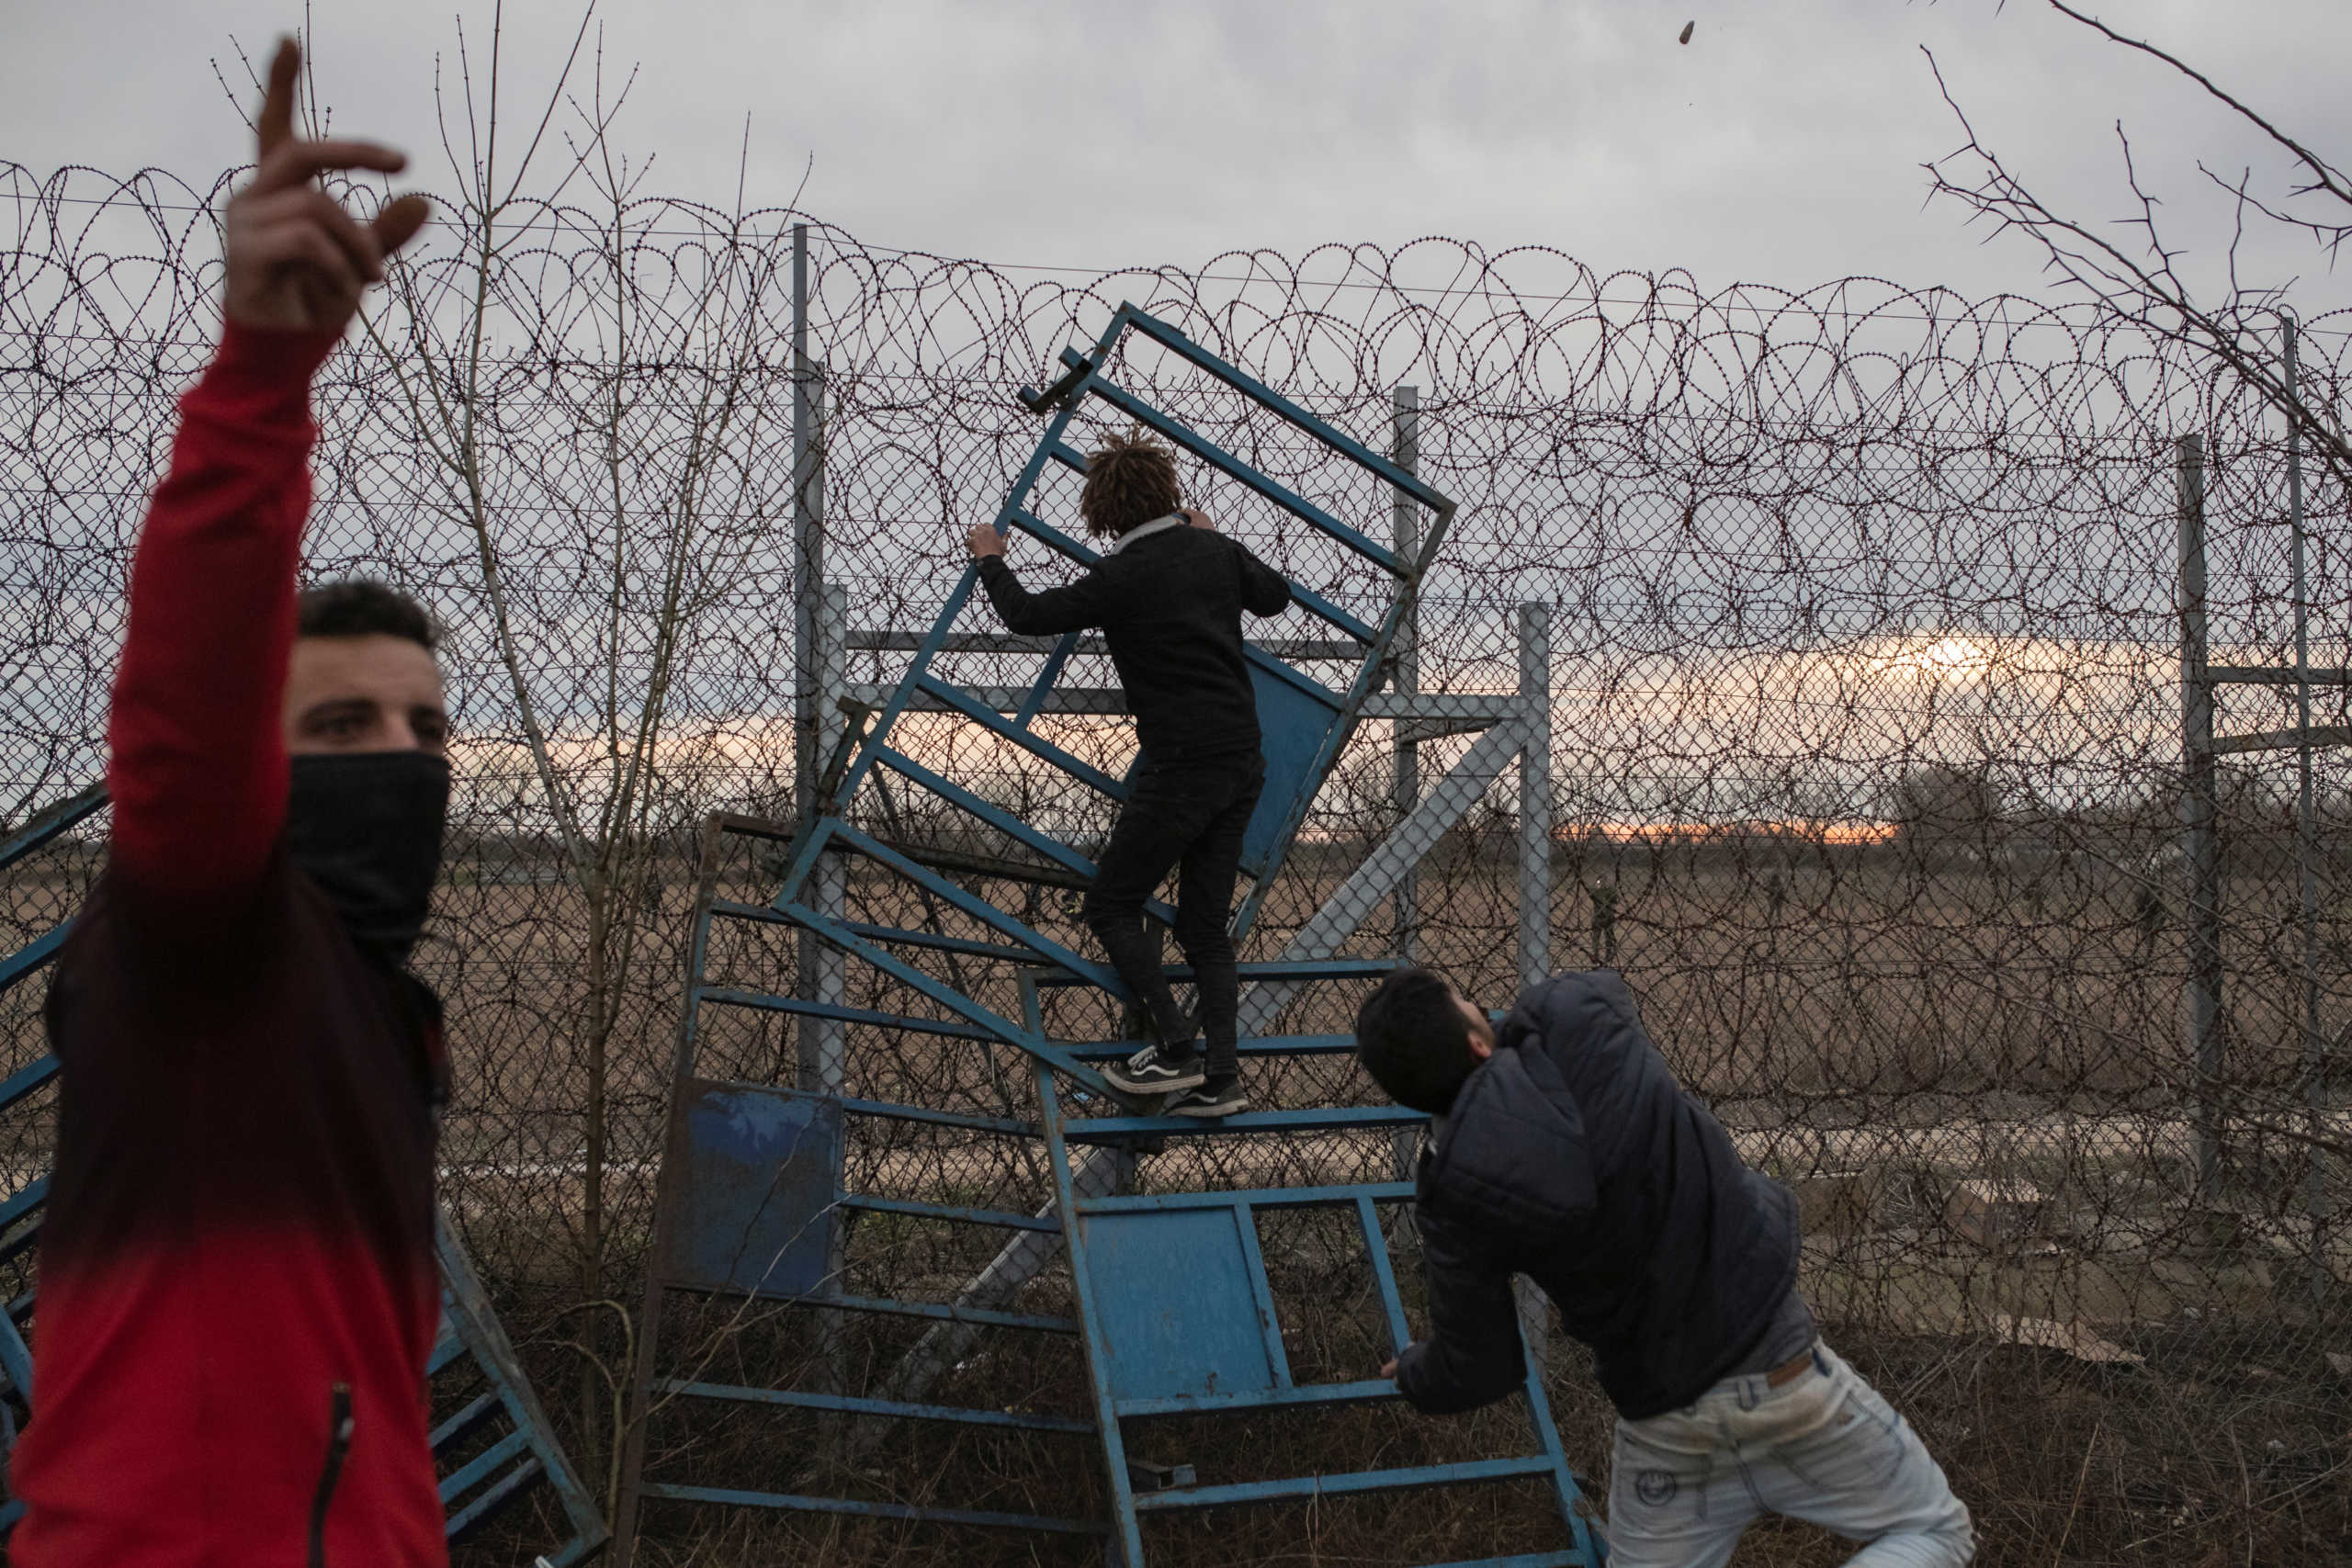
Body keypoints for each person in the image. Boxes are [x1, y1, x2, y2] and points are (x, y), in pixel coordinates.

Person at [8, 39, 451, 1567]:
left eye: (421, 725)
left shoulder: (379, 1011)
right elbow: (189, 711)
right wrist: (261, 384)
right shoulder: (212, 952)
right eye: (340, 723)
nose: (399, 756)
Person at [1358, 966, 1974, 1568]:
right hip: (1780, 1370)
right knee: (1932, 1528)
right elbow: (1593, 989)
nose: (1478, 1004)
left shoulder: (1453, 1194)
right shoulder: (1575, 1028)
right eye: (1465, 1000)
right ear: (1475, 1040)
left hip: (1666, 1420)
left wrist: (1416, 1370)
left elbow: (1481, 1365)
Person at [965, 432, 1290, 1117]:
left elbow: (1027, 616)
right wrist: (1216, 534)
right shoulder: (1214, 552)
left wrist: (992, 559)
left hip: (1180, 768)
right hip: (1242, 760)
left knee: (1110, 904)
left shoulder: (1121, 576)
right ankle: (1222, 1077)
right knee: (1204, 927)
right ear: (1169, 492)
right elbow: (1275, 596)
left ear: (1104, 512)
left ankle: (1175, 1048)